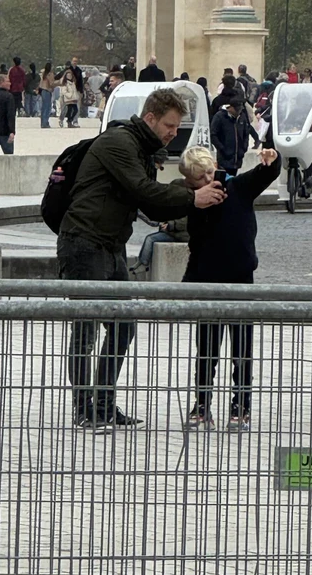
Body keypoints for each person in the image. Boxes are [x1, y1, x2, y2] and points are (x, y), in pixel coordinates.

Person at [58, 87, 225, 426]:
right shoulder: (119, 143)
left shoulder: (143, 150)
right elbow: (143, 190)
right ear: (150, 118)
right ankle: (84, 408)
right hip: (84, 242)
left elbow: (151, 205)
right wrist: (192, 198)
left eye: (177, 127)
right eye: (169, 125)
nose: (173, 133)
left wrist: (191, 197)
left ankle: (103, 405)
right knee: (86, 327)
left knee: (123, 326)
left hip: (111, 245)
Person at [177, 144, 281, 430]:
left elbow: (264, 175)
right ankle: (201, 404)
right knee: (206, 350)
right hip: (207, 282)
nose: (208, 180)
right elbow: (195, 242)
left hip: (240, 279)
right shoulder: (193, 200)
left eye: (209, 173)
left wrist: (272, 160)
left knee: (242, 351)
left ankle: (241, 405)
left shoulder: (238, 187)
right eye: (200, 178)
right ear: (189, 181)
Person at [210, 97, 251, 173]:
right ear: (230, 107)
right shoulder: (219, 117)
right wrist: (222, 149)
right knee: (223, 178)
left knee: (233, 177)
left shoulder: (242, 117)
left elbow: (246, 133)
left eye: (240, 110)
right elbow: (213, 135)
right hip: (224, 158)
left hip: (237, 158)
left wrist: (244, 147)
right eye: (237, 110)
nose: (238, 112)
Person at [0, 73, 15, 154]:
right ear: (1, 83)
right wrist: (12, 131)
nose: (10, 83)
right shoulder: (8, 96)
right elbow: (10, 115)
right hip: (5, 132)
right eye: (7, 81)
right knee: (9, 156)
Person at [39, 62, 55, 128]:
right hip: (48, 90)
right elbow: (51, 83)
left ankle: (42, 122)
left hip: (43, 90)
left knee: (43, 107)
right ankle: (45, 122)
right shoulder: (50, 74)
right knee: (47, 107)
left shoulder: (43, 73)